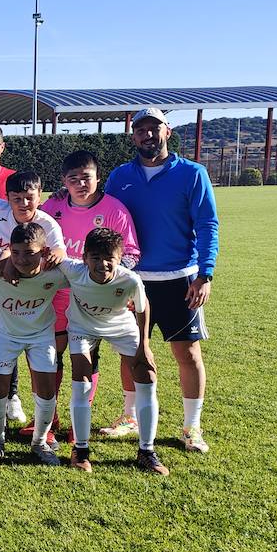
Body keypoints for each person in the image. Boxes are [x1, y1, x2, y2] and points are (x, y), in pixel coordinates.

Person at [104, 107, 219, 454]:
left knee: (187, 352)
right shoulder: (120, 176)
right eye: (140, 130)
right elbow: (107, 221)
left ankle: (192, 426)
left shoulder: (192, 174)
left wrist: (205, 274)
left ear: (167, 131)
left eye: (154, 128)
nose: (147, 135)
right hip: (133, 279)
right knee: (131, 350)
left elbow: (208, 224)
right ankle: (130, 417)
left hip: (180, 278)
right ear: (133, 136)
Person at [42, 150, 142, 439]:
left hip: (96, 297)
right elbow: (37, 233)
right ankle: (50, 419)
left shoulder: (115, 209)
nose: (81, 184)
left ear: (98, 177)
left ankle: (78, 423)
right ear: (64, 181)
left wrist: (105, 279)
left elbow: (132, 253)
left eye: (86, 178)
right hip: (58, 292)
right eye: (73, 179)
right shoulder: (54, 206)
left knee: (88, 356)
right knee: (51, 354)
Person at [57, 228, 161, 474]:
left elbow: (143, 308)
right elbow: (51, 257)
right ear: (84, 258)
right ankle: (80, 450)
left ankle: (146, 450)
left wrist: (144, 346)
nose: (102, 264)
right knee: (81, 381)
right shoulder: (74, 270)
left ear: (119, 258)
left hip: (121, 326)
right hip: (83, 327)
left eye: (109, 259)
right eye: (94, 257)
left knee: (147, 376)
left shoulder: (129, 279)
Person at [0, 171, 66, 425]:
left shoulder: (48, 224)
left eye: (29, 197)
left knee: (36, 356)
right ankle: (2, 403)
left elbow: (58, 252)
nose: (23, 204)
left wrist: (10, 255)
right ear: (7, 198)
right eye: (17, 198)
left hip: (29, 304)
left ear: (39, 194)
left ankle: (20, 403)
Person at [0, 222, 69, 466]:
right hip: (5, 335)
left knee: (46, 389)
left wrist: (125, 295)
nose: (22, 259)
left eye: (30, 253)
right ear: (10, 248)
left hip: (41, 335)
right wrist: (4, 256)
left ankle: (39, 442)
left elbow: (89, 274)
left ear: (43, 252)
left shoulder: (56, 272)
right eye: (17, 252)